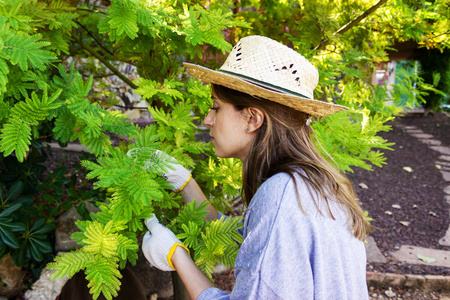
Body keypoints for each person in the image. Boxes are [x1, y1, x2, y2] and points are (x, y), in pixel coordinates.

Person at [142, 35, 371, 299]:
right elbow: (240, 235)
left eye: (215, 107)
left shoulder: (281, 195)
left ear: (252, 119)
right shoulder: (312, 184)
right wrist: (184, 183)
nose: (207, 120)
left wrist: (176, 255)